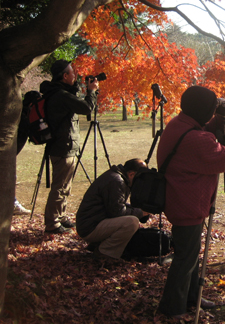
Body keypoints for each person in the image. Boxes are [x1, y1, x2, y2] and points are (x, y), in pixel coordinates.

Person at [156, 86, 225, 320]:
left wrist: (218, 120)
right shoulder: (196, 139)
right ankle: (173, 308)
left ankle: (192, 296)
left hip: (181, 199)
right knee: (185, 258)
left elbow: (202, 130)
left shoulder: (179, 124)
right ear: (203, 110)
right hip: (186, 204)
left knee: (190, 255)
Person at [41, 60, 98, 234]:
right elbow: (86, 108)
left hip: (64, 146)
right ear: (64, 76)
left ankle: (61, 216)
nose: (75, 75)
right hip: (62, 147)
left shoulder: (58, 93)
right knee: (59, 187)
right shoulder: (60, 95)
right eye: (72, 73)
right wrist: (92, 91)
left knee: (65, 186)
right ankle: (52, 224)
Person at [76, 159, 149, 260]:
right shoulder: (116, 181)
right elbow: (117, 212)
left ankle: (99, 244)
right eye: (140, 178)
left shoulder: (116, 177)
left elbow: (116, 205)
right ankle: (104, 252)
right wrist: (140, 212)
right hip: (89, 227)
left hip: (91, 222)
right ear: (131, 174)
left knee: (130, 219)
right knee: (131, 222)